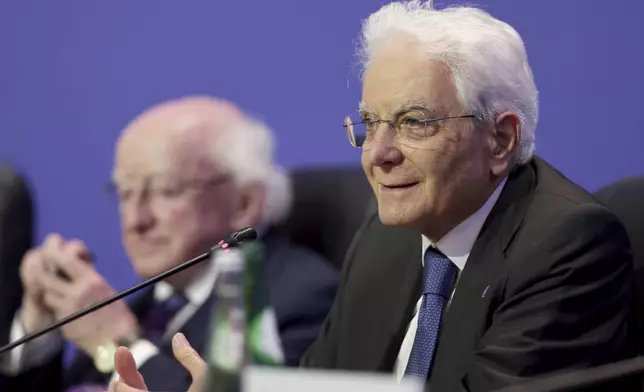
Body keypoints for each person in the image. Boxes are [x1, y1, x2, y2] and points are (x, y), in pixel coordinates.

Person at [109, 1, 640, 391]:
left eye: (413, 123)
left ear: (499, 139)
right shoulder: (385, 239)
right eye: (369, 124)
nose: (378, 154)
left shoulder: (566, 245)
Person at [0, 96, 339, 391]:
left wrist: (120, 342)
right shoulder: (149, 307)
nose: (136, 220)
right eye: (125, 194)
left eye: (165, 191)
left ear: (243, 202)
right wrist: (39, 333)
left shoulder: (302, 302)